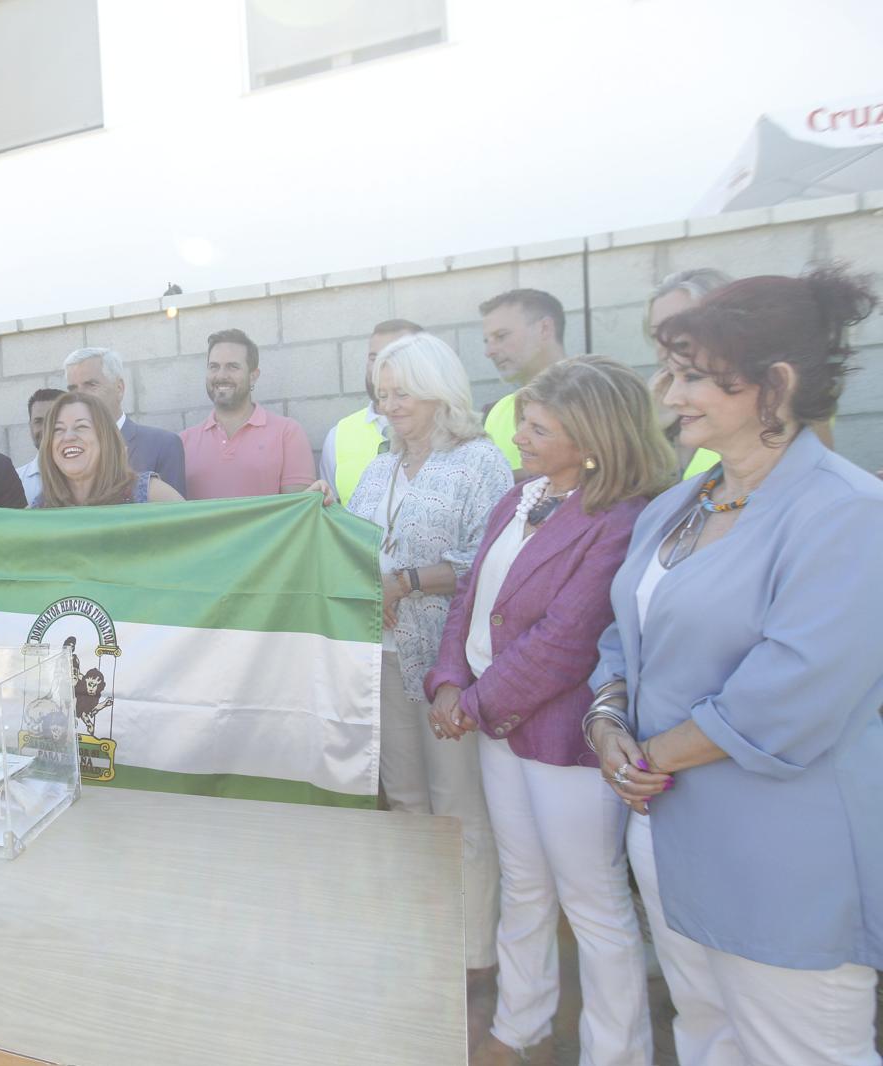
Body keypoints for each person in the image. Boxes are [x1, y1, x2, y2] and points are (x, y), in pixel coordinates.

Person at [588, 267, 883, 1065]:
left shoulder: (848, 513)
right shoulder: (678, 505)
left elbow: (790, 693)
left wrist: (646, 759)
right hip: (669, 832)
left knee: (800, 1049)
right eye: (671, 373)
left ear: (774, 386)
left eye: (694, 378)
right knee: (707, 1033)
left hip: (782, 856)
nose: (669, 395)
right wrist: (607, 722)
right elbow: (624, 637)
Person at [425, 358, 674, 1065]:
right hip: (496, 728)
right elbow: (471, 595)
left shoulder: (620, 520)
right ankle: (519, 1022)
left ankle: (615, 1051)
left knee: (593, 904)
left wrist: (472, 704)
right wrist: (447, 680)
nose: (521, 437)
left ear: (592, 438)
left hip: (564, 741)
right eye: (523, 423)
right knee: (524, 883)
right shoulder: (519, 496)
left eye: (538, 427)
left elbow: (565, 642)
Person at [343, 333, 511, 993]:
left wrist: (407, 581)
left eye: (402, 392)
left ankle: (473, 957)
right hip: (383, 658)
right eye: (383, 394)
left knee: (459, 807)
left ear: (438, 389)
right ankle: (425, 936)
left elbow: (490, 561)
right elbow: (360, 543)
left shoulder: (480, 462)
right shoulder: (380, 467)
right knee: (407, 800)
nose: (390, 406)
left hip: (449, 664)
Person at [645, 269, 835, 482]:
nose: (668, 344)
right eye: (656, 334)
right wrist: (651, 430)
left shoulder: (789, 394)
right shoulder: (660, 399)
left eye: (683, 326)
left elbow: (818, 479)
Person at [179, 328, 316, 500]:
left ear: (253, 376)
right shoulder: (182, 442)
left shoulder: (287, 433)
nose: (221, 375)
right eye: (214, 367)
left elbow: (299, 511)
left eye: (232, 367)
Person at [319, 319, 423, 504]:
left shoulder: (453, 435)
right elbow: (332, 516)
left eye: (392, 357)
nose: (379, 368)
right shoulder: (339, 435)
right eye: (374, 358)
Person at [63, 346, 187, 495]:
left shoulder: (162, 445)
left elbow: (175, 515)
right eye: (73, 389)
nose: (80, 396)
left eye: (91, 385)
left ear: (119, 388)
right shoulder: (64, 450)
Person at [32, 390, 184, 507]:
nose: (68, 437)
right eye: (58, 429)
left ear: (105, 439)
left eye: (81, 426)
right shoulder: (40, 508)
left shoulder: (151, 495)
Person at [480, 289, 569, 473]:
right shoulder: (495, 412)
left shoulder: (596, 399)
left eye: (501, 336)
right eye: (487, 341)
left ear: (544, 328)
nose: (489, 352)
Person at [15, 388, 65, 506]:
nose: (45, 428)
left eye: (53, 420)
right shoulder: (15, 480)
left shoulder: (90, 479)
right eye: (38, 421)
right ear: (30, 426)